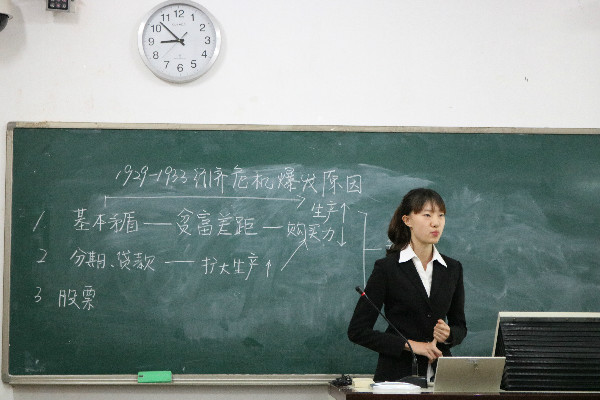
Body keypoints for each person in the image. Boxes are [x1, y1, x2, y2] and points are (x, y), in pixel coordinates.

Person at [347, 188, 467, 383]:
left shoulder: (452, 268)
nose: (436, 222)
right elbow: (358, 331)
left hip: (441, 379)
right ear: (407, 220)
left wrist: (449, 334)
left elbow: (460, 326)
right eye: (427, 215)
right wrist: (411, 345)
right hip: (397, 378)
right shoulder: (387, 268)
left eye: (441, 215)